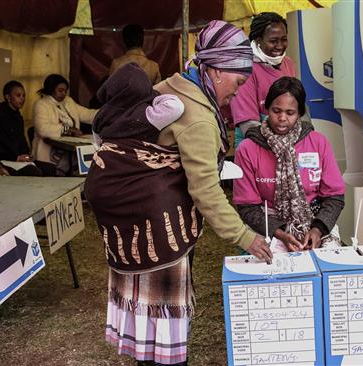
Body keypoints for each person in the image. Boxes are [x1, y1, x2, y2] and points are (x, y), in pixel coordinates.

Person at [85, 20, 272, 366]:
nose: (239, 91)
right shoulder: (199, 117)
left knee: (146, 317)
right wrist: (246, 237)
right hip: (159, 226)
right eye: (238, 81)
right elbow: (205, 191)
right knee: (165, 322)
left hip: (132, 219)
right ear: (215, 71)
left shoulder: (174, 84)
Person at [233, 77, 345, 253]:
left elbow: (335, 196)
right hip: (270, 225)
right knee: (276, 267)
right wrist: (281, 232)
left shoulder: (318, 142)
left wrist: (318, 229)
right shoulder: (248, 149)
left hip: (315, 220)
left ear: (300, 113)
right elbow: (247, 207)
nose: (282, 118)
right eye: (276, 111)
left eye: (290, 113)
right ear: (266, 109)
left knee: (330, 262)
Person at [230, 12, 297, 148]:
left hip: (285, 142)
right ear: (258, 40)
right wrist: (277, 144)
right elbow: (248, 124)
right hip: (254, 142)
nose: (279, 46)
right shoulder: (245, 69)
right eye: (273, 41)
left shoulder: (288, 63)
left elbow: (297, 103)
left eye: (283, 39)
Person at [32, 74, 97, 176]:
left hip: (70, 149)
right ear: (51, 89)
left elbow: (86, 114)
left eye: (65, 91)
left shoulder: (68, 101)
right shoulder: (41, 104)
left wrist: (105, 113)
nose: (63, 94)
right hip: (49, 154)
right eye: (60, 90)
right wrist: (68, 130)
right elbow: (42, 128)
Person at [0, 81, 52, 176]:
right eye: (18, 95)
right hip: (6, 159)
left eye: (24, 96)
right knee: (35, 172)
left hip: (20, 158)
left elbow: (21, 139)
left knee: (50, 168)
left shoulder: (18, 115)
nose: (22, 99)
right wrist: (16, 157)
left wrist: (27, 154)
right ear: (8, 97)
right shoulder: (0, 116)